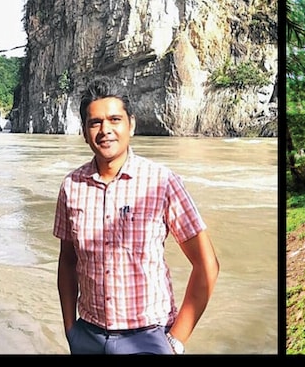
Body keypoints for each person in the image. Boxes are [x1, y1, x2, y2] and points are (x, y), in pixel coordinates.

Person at [53, 77, 220, 354]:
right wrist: (71, 329)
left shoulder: (162, 182)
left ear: (131, 124)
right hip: (88, 336)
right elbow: (67, 262)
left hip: (149, 338)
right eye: (95, 122)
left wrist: (175, 341)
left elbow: (207, 264)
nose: (105, 130)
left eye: (114, 119)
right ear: (84, 131)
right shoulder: (71, 186)